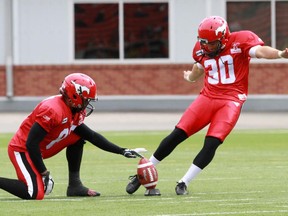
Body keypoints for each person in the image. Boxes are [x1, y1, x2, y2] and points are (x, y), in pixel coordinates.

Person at [126, 15, 288, 195]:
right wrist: (190, 78)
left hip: (231, 101)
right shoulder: (201, 49)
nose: (207, 47)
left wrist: (280, 54)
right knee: (177, 134)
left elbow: (260, 51)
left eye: (211, 43)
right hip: (207, 98)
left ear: (223, 39)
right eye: (204, 42)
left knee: (211, 143)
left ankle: (184, 182)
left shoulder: (240, 41)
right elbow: (200, 66)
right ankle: (142, 174)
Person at [0, 73, 138, 200]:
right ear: (74, 96)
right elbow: (31, 143)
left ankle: (75, 185)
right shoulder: (53, 110)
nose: (87, 104)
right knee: (35, 193)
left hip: (42, 148)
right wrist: (44, 172)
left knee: (78, 137)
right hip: (23, 149)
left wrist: (121, 150)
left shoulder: (73, 110)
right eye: (86, 100)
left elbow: (92, 136)